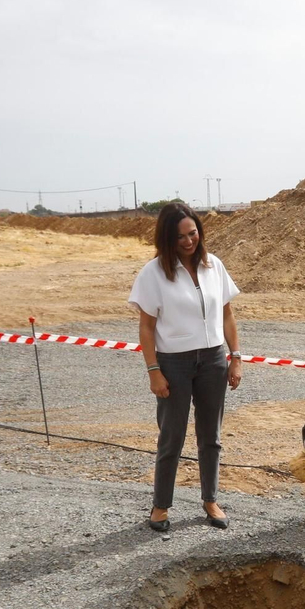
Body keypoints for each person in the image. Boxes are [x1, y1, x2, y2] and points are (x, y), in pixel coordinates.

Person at [129, 201, 243, 532]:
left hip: (213, 360)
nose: (188, 241)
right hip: (173, 364)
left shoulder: (214, 266)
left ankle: (211, 500)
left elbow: (227, 315)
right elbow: (146, 327)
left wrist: (235, 357)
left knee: (211, 436)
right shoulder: (153, 273)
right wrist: (153, 371)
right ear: (167, 238)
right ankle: (161, 506)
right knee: (172, 437)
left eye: (193, 233)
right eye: (180, 237)